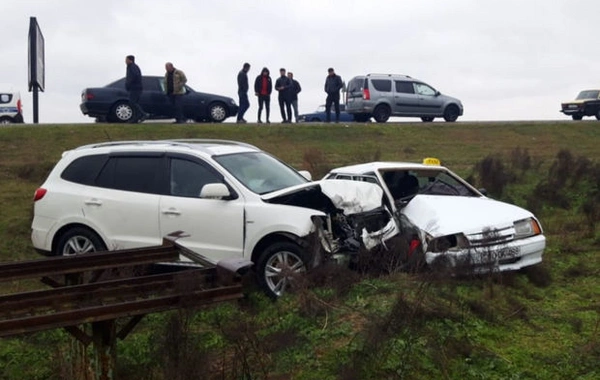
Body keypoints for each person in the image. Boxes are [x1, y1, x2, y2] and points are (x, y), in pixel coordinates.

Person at [124, 55, 148, 123]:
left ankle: (143, 114)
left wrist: (129, 83)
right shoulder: (130, 67)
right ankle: (135, 118)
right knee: (134, 103)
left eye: (126, 60)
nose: (125, 61)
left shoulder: (133, 67)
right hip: (134, 87)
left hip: (135, 88)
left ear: (130, 60)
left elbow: (135, 76)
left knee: (132, 102)